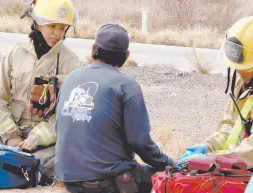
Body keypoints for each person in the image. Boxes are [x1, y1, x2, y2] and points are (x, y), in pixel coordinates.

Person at [55, 24, 175, 193]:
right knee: (167, 178)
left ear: (93, 49)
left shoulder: (70, 78)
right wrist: (169, 162)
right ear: (126, 56)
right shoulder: (126, 86)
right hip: (108, 183)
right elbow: (139, 142)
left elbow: (60, 126)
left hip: (69, 179)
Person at [0, 0, 81, 184]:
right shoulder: (16, 53)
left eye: (62, 28)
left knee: (48, 164)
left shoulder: (71, 63)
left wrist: (37, 138)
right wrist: (11, 136)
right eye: (52, 26)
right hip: (12, 135)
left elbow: (69, 113)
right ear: (37, 23)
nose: (57, 33)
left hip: (47, 142)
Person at [177, 16, 253, 170]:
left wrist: (210, 159)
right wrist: (208, 147)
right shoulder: (246, 82)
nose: (240, 72)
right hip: (242, 166)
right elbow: (230, 126)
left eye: (247, 67)